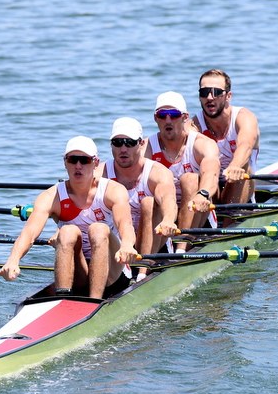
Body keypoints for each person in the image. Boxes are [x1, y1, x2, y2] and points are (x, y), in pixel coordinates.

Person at [0, 136, 137, 299]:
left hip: (113, 272)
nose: (78, 166)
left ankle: (94, 301)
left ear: (96, 162)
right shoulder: (52, 196)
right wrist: (13, 260)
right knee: (67, 232)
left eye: (84, 160)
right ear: (65, 163)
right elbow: (29, 233)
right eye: (73, 160)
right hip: (79, 271)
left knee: (98, 229)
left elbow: (125, 225)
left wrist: (127, 245)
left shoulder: (112, 190)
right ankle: (63, 297)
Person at [99, 116, 178, 280]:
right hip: (120, 245)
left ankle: (142, 274)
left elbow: (168, 199)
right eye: (117, 143)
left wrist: (168, 220)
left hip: (155, 242)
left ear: (141, 144)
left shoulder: (157, 173)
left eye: (129, 143)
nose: (123, 149)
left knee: (148, 202)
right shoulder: (100, 174)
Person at [145, 91, 221, 240]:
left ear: (185, 117)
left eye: (173, 114)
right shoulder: (146, 148)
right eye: (162, 115)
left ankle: (182, 248)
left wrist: (203, 194)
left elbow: (211, 171)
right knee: (147, 201)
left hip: (198, 214)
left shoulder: (201, 144)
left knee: (189, 179)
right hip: (164, 217)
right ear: (156, 118)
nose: (168, 120)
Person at [191, 69, 261, 204]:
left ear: (228, 96)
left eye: (216, 92)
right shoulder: (194, 126)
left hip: (239, 185)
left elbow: (245, 145)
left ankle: (231, 220)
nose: (210, 98)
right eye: (205, 93)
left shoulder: (243, 118)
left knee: (243, 166)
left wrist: (235, 166)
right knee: (190, 177)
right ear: (199, 96)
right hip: (210, 189)